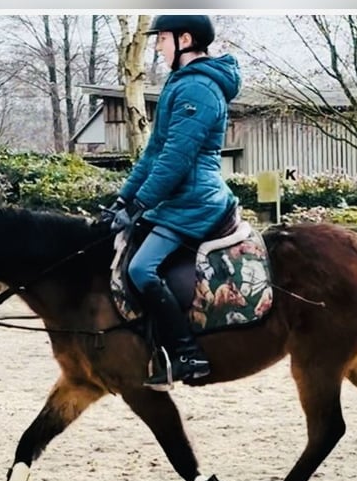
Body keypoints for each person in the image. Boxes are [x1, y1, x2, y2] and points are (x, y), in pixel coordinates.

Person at [102, 14, 241, 391]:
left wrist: (140, 203)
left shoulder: (199, 89)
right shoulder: (180, 85)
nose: (157, 46)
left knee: (141, 269)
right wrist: (123, 200)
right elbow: (152, 156)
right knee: (120, 248)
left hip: (195, 201)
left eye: (161, 39)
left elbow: (176, 160)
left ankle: (187, 353)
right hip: (177, 199)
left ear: (184, 39)